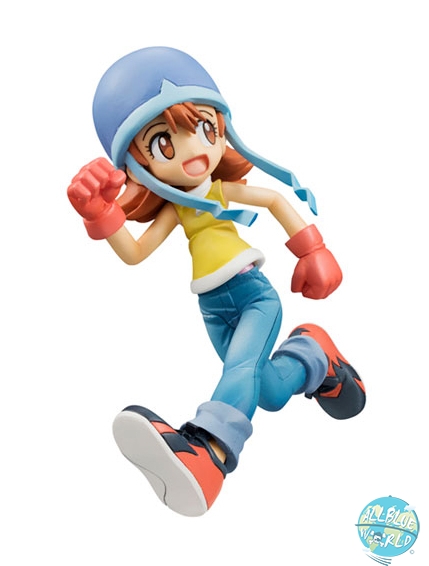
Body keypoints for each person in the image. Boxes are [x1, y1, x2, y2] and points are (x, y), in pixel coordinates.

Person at [67, 46, 366, 517]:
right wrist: (100, 214)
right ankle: (314, 356)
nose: (193, 150)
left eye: (206, 129)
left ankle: (209, 450)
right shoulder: (176, 209)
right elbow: (135, 253)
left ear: (223, 128)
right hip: (211, 305)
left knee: (239, 371)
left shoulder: (221, 190)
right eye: (163, 143)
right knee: (266, 390)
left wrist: (313, 250)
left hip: (252, 295)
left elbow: (273, 199)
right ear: (136, 165)